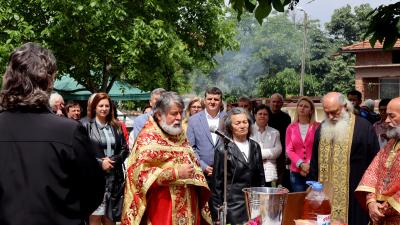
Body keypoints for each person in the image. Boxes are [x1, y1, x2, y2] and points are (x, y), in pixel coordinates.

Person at [0, 42, 104, 225]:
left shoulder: (69, 131)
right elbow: (92, 191)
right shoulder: (68, 131)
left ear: (8, 78)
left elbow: (92, 189)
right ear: (48, 81)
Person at [121, 92, 211, 225]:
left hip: (189, 206)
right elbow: (138, 176)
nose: (179, 117)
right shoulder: (147, 139)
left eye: (181, 113)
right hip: (161, 208)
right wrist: (175, 173)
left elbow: (193, 162)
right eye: (174, 113)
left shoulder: (180, 135)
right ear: (159, 115)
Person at [309, 92, 380, 225]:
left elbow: (375, 165)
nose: (330, 117)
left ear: (345, 106)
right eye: (326, 113)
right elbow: (314, 162)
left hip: (354, 199)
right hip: (325, 197)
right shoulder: (322, 128)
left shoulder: (364, 128)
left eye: (334, 112)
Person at [212, 107, 266, 224]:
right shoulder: (223, 150)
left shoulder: (255, 146)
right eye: (238, 123)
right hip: (233, 206)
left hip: (254, 204)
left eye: (245, 122)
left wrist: (263, 202)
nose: (242, 126)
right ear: (230, 126)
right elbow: (217, 184)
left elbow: (261, 177)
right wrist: (217, 214)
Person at [85, 93, 129, 225]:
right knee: (95, 218)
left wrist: (113, 161)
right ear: (94, 107)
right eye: (100, 106)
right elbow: (82, 152)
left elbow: (124, 149)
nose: (104, 109)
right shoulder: (85, 126)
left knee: (110, 219)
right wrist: (100, 163)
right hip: (95, 179)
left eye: (107, 106)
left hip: (114, 179)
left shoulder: (116, 125)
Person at [355, 97, 400, 225]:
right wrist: (371, 202)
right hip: (379, 216)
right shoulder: (391, 142)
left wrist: (381, 210)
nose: (386, 120)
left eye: (391, 116)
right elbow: (372, 173)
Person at [187, 87, 226, 184]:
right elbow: (191, 148)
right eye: (209, 99)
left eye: (216, 99)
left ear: (221, 102)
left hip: (224, 172)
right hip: (201, 172)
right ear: (204, 101)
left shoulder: (228, 118)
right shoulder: (193, 120)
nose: (212, 102)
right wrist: (203, 166)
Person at [286, 97, 319, 192]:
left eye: (306, 106)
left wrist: (308, 164)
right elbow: (289, 150)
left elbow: (319, 148)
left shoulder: (318, 127)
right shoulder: (290, 128)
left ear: (311, 110)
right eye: (300, 106)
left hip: (313, 170)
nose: (302, 108)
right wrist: (301, 164)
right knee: (299, 200)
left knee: (312, 200)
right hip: (296, 172)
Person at [250, 104, 282, 186]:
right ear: (255, 115)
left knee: (268, 198)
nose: (262, 116)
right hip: (252, 172)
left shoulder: (275, 132)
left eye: (265, 114)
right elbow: (247, 151)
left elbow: (278, 151)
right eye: (260, 114)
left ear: (268, 117)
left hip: (269, 173)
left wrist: (258, 155)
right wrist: (267, 155)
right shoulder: (248, 131)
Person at [268, 93, 291, 190]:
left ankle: (279, 191)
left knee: (280, 174)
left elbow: (288, 135)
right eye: (273, 101)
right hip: (267, 149)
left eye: (278, 102)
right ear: (270, 102)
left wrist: (287, 152)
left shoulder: (286, 117)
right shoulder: (265, 114)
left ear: (282, 103)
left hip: (281, 149)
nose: (275, 104)